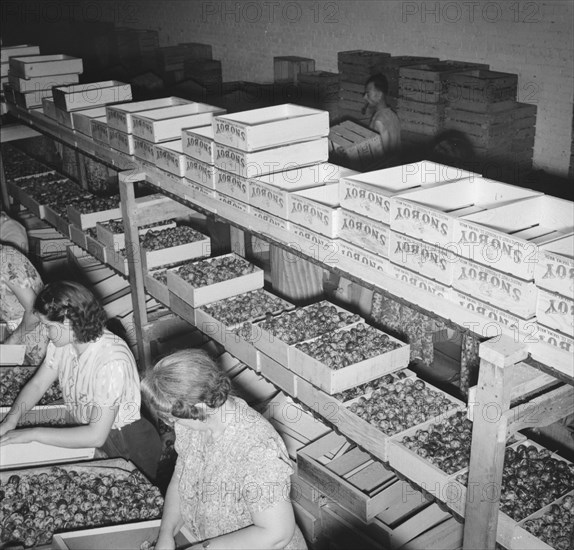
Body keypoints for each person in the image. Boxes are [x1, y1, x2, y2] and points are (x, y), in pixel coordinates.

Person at [142, 349, 308, 550]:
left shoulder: (256, 446)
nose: (171, 425)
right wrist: (166, 534)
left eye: (173, 419)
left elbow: (276, 534)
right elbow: (181, 479)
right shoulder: (193, 424)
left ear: (201, 409)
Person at [0, 280, 162, 481]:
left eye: (48, 326)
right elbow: (38, 384)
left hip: (125, 443)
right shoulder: (64, 344)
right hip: (87, 430)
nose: (45, 332)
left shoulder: (111, 360)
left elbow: (96, 435)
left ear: (69, 321)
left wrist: (32, 433)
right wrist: (11, 420)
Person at [0, 243, 48, 364]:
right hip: (21, 334)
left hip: (37, 337)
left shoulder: (6, 264)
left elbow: (35, 312)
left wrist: (12, 340)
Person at [363, 73, 401, 162]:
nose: (364, 97)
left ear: (379, 95)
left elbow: (380, 156)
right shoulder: (393, 116)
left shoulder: (378, 121)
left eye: (368, 93)